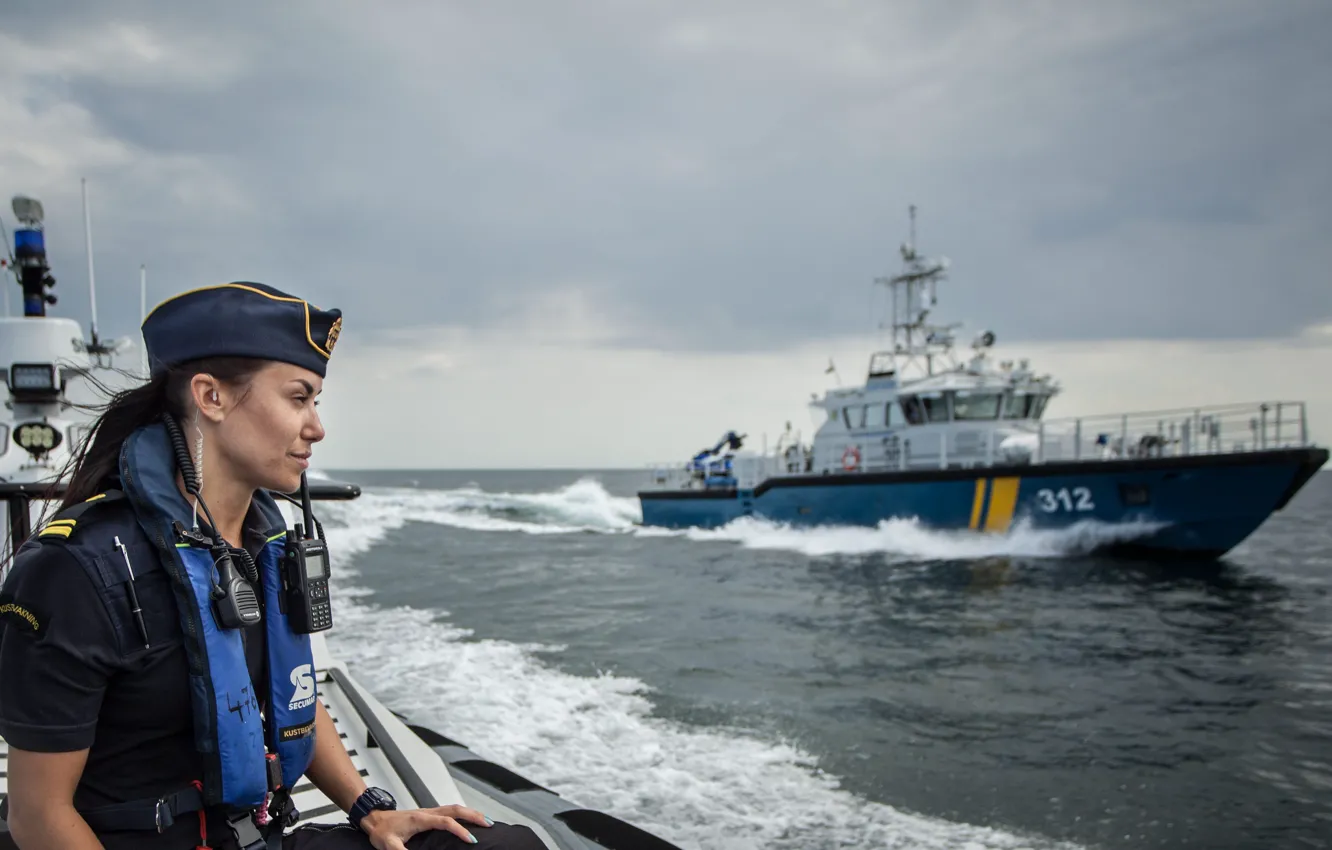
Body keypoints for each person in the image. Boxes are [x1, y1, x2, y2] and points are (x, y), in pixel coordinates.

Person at [0, 283, 547, 850]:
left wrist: (368, 808)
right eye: (297, 398)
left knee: (507, 845)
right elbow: (38, 816)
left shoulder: (266, 546)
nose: (316, 427)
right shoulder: (80, 571)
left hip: (257, 838)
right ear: (210, 397)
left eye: (316, 402)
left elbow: (296, 695)